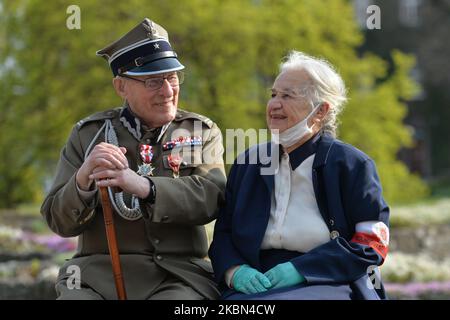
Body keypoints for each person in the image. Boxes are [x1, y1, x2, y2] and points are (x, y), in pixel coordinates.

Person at [41, 18, 226, 300]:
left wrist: (145, 187)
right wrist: (82, 181)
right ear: (121, 87)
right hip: (96, 278)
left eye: (172, 78)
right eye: (153, 82)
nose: (167, 91)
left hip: (177, 277)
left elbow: (213, 197)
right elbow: (58, 221)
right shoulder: (88, 135)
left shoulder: (200, 131)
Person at [209, 51, 390, 300]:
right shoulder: (248, 162)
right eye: (273, 94)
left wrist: (302, 269)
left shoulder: (352, 165)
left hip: (330, 279)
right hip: (255, 280)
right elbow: (224, 233)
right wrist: (234, 270)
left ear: (320, 111)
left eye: (287, 96)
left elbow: (372, 243)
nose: (274, 104)